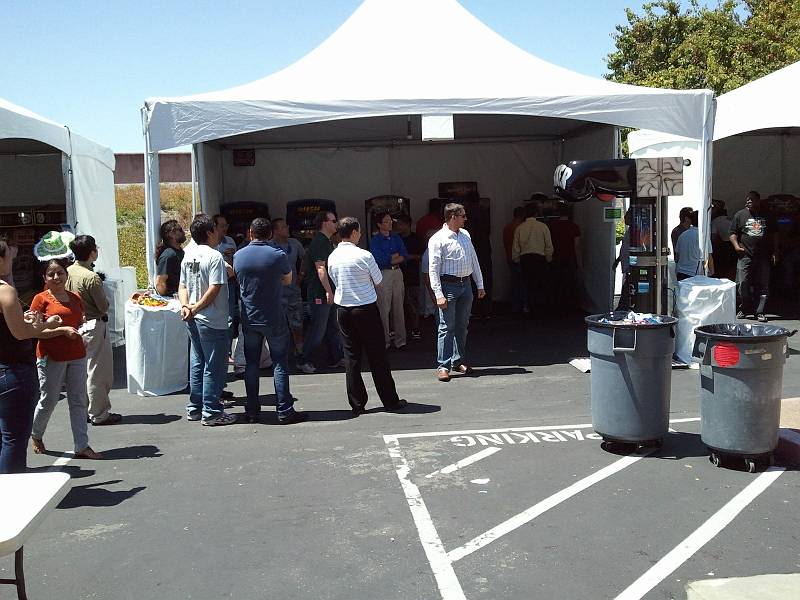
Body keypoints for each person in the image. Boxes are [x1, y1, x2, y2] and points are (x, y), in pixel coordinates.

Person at [327, 217, 407, 415]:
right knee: (377, 356)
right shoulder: (364, 255)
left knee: (351, 357)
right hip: (365, 307)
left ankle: (357, 403)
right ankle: (390, 400)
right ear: (354, 232)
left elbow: (334, 279)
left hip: (343, 309)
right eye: (359, 231)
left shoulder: (333, 256)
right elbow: (379, 280)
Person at [234, 218, 306, 425]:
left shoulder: (239, 255)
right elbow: (288, 280)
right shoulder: (277, 255)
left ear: (250, 233)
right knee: (279, 363)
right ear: (270, 234)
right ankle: (284, 409)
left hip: (250, 316)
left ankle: (252, 410)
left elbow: (238, 279)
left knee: (252, 364)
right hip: (273, 315)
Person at [30, 258, 103, 459]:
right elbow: (35, 332)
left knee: (78, 401)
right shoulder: (40, 300)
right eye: (51, 274)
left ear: (66, 274)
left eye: (60, 273)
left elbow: (80, 321)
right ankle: (36, 434)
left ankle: (82, 446)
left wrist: (82, 330)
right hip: (51, 357)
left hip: (77, 354)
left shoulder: (75, 297)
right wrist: (62, 331)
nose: (56, 277)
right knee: (49, 399)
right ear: (44, 277)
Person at [0, 239, 61, 473]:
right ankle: (11, 488)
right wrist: (45, 325)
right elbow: (20, 333)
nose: (12, 259)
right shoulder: (5, 291)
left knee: (4, 436)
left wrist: (25, 321)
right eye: (9, 255)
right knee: (13, 438)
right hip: (12, 369)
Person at [179, 213, 236, 426]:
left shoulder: (188, 255)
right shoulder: (214, 256)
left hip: (194, 318)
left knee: (198, 362)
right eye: (215, 229)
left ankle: (195, 407)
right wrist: (194, 307)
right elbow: (215, 287)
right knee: (214, 366)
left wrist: (186, 306)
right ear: (210, 232)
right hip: (212, 319)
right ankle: (211, 411)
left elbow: (182, 286)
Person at [66, 235, 121, 426]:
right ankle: (99, 413)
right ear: (91, 253)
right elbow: (103, 306)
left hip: (75, 324)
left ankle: (83, 410)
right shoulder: (91, 277)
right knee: (97, 371)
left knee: (80, 370)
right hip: (93, 324)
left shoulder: (68, 272)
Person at [428, 203, 485, 382]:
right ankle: (443, 366)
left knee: (462, 326)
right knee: (446, 326)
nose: (465, 219)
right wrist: (438, 294)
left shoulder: (465, 234)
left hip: (465, 284)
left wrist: (480, 284)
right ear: (453, 217)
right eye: (463, 216)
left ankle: (457, 360)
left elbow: (473, 259)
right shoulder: (438, 239)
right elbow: (433, 269)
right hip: (448, 285)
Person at [297, 210, 344, 374]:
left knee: (332, 327)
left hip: (326, 292)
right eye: (334, 221)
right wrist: (329, 291)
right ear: (325, 223)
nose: (336, 223)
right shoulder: (320, 242)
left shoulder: (326, 241)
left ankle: (336, 357)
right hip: (320, 293)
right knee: (318, 329)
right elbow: (320, 269)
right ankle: (304, 360)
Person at [729, 191, 777, 322]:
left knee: (762, 285)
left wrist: (775, 251)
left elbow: (774, 234)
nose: (749, 201)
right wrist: (736, 246)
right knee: (742, 283)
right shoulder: (740, 215)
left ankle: (759, 311)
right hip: (745, 255)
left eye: (752, 199)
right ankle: (744, 308)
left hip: (763, 255)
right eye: (747, 199)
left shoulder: (767, 215)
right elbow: (732, 233)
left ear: (758, 200)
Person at [370, 209, 409, 349]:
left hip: (397, 272)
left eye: (390, 221)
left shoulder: (396, 237)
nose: (390, 223)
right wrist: (394, 257)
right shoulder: (375, 240)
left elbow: (404, 254)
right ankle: (384, 341)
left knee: (399, 307)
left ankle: (400, 340)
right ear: (379, 224)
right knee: (383, 307)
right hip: (383, 273)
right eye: (386, 221)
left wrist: (392, 258)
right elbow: (379, 259)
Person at [269, 217, 306, 355]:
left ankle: (300, 350)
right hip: (277, 295)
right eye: (284, 227)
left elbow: (305, 257)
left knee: (298, 323)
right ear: (275, 231)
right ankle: (282, 352)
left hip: (294, 292)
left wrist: (301, 275)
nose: (287, 228)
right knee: (279, 325)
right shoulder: (269, 246)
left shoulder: (295, 243)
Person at [512, 202, 553, 315]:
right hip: (540, 259)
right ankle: (542, 310)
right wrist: (548, 258)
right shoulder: (543, 227)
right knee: (542, 285)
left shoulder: (519, 228)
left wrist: (517, 259)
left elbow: (516, 248)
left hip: (525, 259)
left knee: (528, 286)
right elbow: (549, 246)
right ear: (536, 213)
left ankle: (530, 309)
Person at [547, 202, 582, 313]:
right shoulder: (574, 226)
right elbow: (577, 246)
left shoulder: (551, 226)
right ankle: (570, 307)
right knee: (570, 283)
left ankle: (557, 307)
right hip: (570, 258)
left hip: (556, 257)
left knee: (556, 283)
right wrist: (579, 261)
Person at [394, 214, 423, 340]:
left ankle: (416, 328)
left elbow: (422, 256)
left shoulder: (416, 239)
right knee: (397, 305)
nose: (398, 226)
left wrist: (408, 257)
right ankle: (397, 330)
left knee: (413, 303)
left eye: (400, 224)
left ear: (408, 225)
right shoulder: (396, 238)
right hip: (397, 274)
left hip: (412, 275)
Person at [503, 207, 527, 315]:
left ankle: (515, 307)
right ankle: (522, 306)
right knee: (523, 283)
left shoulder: (507, 227)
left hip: (510, 257)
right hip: (519, 258)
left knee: (515, 283)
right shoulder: (520, 227)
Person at [155, 220, 186, 297]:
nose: (184, 232)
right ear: (171, 234)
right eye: (180, 230)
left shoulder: (180, 252)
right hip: (173, 299)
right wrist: (169, 297)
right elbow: (160, 282)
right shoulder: (168, 255)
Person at [675, 211, 706, 280]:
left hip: (680, 272)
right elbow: (708, 255)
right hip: (695, 272)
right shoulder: (702, 236)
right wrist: (711, 272)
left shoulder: (682, 235)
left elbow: (677, 256)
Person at [710, 199, 736, 281]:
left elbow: (713, 237)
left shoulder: (715, 221)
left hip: (724, 245)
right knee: (732, 266)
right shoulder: (732, 219)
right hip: (734, 244)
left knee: (723, 266)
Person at [613, 209, 632, 311]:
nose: (625, 219)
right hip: (626, 264)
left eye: (627, 216)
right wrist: (618, 260)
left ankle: (622, 307)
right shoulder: (629, 231)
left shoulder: (634, 231)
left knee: (627, 286)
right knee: (626, 285)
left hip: (630, 265)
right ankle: (622, 307)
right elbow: (624, 248)